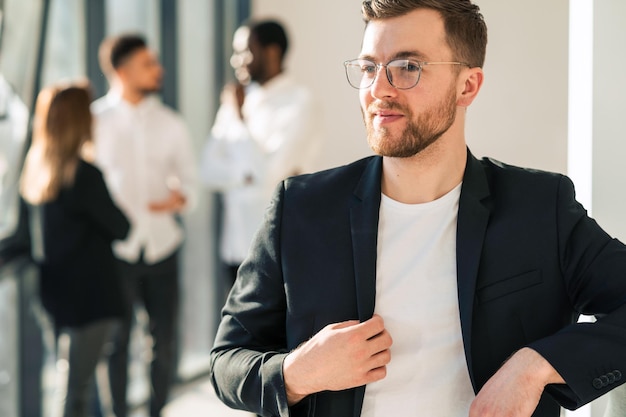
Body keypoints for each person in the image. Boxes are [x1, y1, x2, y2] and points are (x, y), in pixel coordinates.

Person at [209, 1, 626, 417]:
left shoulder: (539, 208)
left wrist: (535, 366)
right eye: (370, 67)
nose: (379, 89)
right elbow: (227, 361)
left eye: (408, 66)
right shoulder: (300, 208)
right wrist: (297, 372)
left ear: (468, 86)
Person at [92, 34, 197, 417]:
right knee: (114, 343)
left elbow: (190, 183)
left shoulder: (171, 123)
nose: (159, 69)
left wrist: (179, 198)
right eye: (148, 64)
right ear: (121, 71)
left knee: (163, 342)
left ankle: (156, 412)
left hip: (162, 246)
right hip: (114, 252)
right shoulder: (94, 121)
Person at [18, 82, 129, 417]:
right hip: (92, 299)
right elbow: (121, 228)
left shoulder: (37, 171)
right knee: (76, 390)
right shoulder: (84, 175)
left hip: (55, 296)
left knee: (69, 382)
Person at [201, 19, 320, 287]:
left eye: (244, 50)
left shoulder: (300, 103)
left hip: (277, 249)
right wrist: (246, 175)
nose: (236, 60)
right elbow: (207, 170)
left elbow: (270, 176)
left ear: (271, 52)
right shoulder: (237, 101)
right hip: (234, 247)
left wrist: (241, 121)